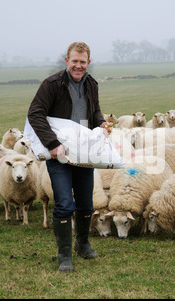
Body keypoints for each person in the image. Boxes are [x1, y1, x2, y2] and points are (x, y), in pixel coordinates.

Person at [27, 42, 111, 272]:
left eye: (82, 62)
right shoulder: (52, 84)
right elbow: (35, 113)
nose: (78, 65)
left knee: (86, 203)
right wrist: (53, 145)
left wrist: (101, 122)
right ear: (67, 61)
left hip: (84, 153)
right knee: (64, 203)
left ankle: (82, 244)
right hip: (59, 154)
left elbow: (93, 112)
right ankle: (64, 255)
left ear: (88, 63)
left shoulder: (91, 84)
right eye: (74, 61)